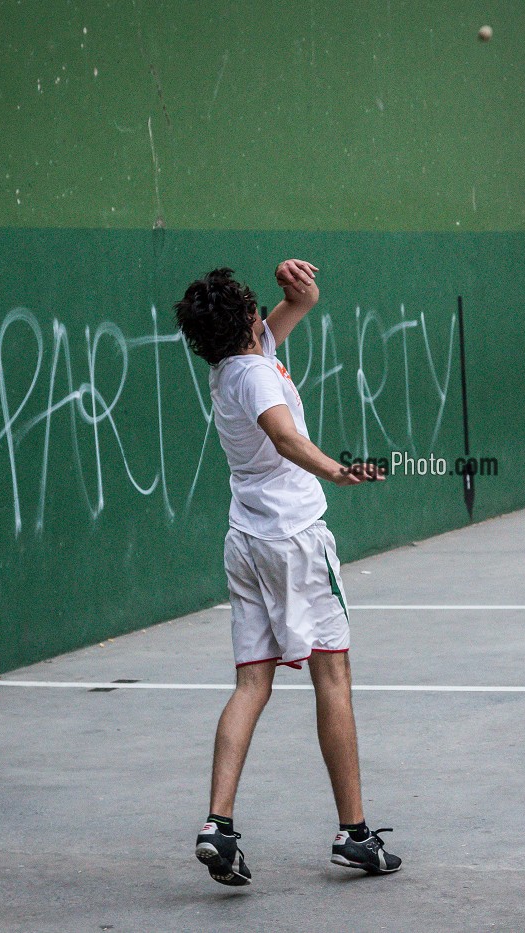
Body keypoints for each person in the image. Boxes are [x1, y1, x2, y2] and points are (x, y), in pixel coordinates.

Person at [174, 259, 401, 886]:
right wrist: (335, 468)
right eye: (257, 310)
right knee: (333, 672)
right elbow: (282, 437)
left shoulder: (232, 363)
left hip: (245, 539)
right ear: (247, 320)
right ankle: (355, 834)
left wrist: (293, 288)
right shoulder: (254, 378)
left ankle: (217, 825)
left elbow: (295, 309)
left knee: (252, 684)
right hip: (295, 541)